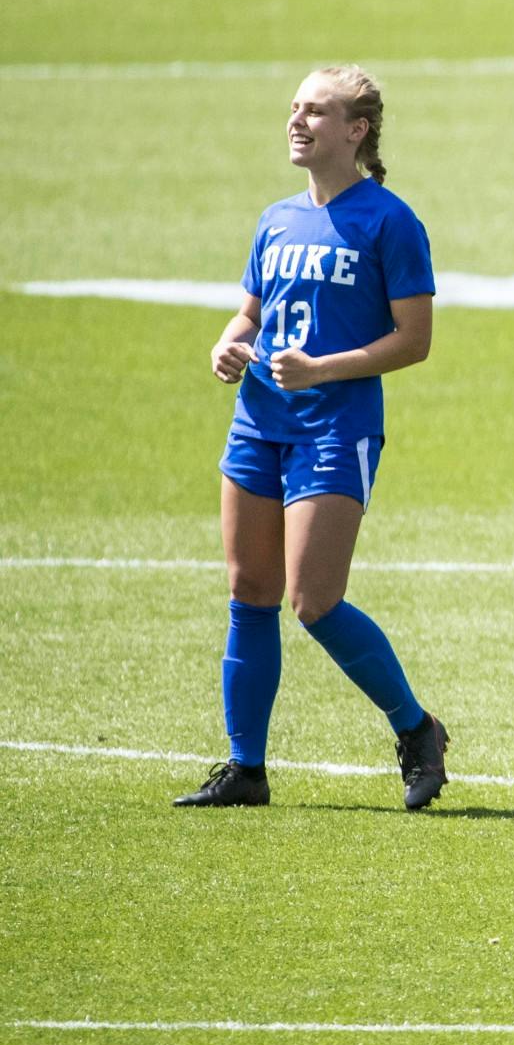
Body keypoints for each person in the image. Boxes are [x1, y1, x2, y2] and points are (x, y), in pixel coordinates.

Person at [176, 65, 448, 811]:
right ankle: (246, 768)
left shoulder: (390, 221)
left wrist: (322, 369)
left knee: (315, 600)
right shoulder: (275, 220)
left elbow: (414, 340)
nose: (297, 121)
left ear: (356, 130)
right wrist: (226, 346)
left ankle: (417, 729)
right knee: (249, 590)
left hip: (337, 427)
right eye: (295, 108)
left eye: (316, 112)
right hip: (259, 422)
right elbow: (250, 315)